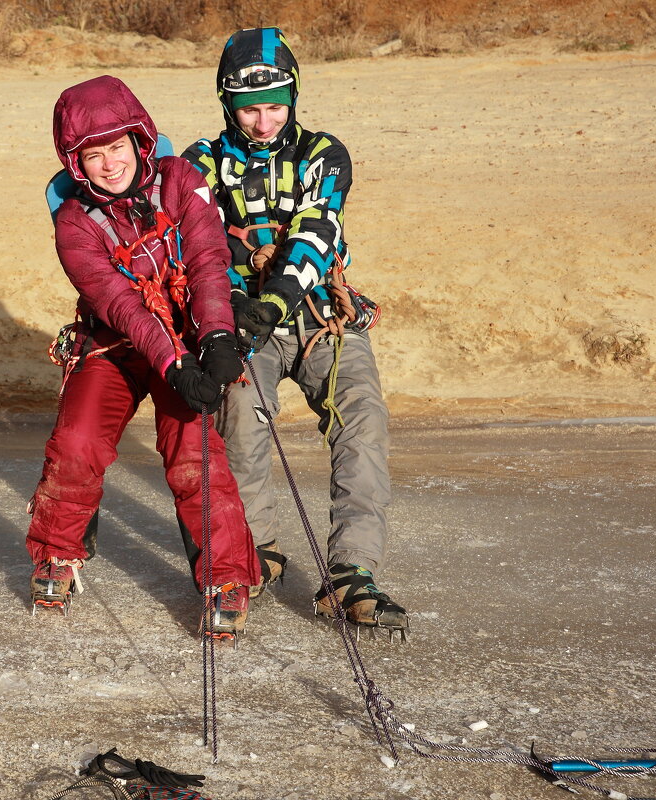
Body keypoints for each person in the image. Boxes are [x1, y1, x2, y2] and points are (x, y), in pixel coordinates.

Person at [182, 28, 409, 635]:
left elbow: (317, 228)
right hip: (237, 323)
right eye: (249, 108)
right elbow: (195, 238)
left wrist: (275, 298)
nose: (262, 122)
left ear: (295, 98)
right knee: (240, 417)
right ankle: (255, 551)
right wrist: (232, 300)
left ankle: (352, 572)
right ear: (227, 104)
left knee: (362, 419)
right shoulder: (199, 162)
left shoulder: (324, 152)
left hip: (320, 316)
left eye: (275, 106)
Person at [25, 75, 261, 639]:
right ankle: (58, 551)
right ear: (75, 161)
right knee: (77, 441)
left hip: (188, 332)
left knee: (193, 451)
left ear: (140, 140)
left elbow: (207, 261)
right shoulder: (74, 225)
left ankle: (225, 576)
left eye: (117, 147)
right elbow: (122, 306)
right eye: (93, 154)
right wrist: (174, 364)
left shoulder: (183, 180)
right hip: (116, 344)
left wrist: (217, 339)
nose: (110, 165)